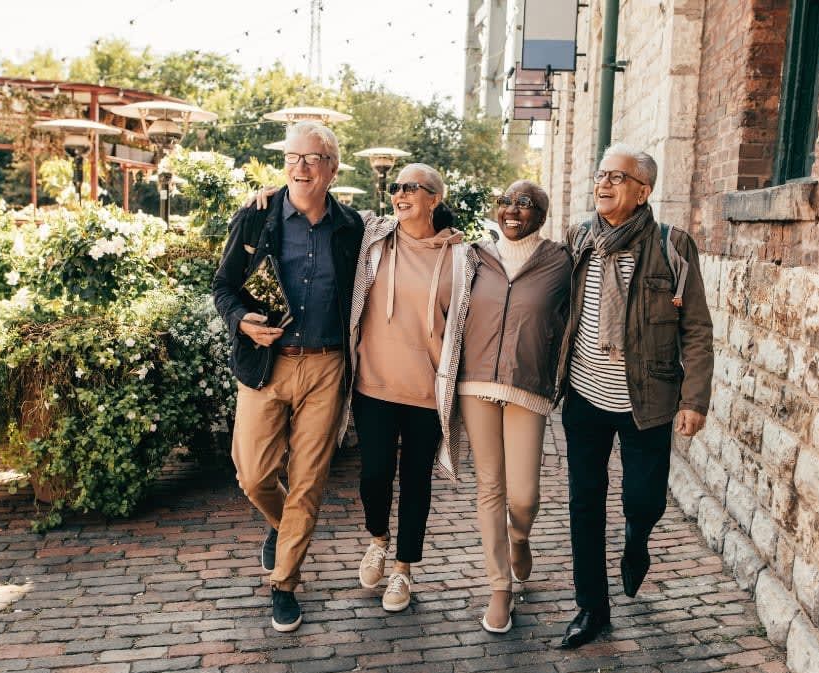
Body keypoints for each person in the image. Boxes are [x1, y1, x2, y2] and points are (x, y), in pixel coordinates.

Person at [556, 143, 714, 649]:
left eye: (616, 178)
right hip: (585, 394)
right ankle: (591, 607)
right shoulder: (579, 238)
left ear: (643, 190)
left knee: (642, 498)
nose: (603, 185)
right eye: (600, 174)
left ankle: (637, 537)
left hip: (647, 400)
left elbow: (697, 328)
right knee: (585, 501)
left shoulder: (672, 244)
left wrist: (694, 399)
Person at [212, 120, 365, 633]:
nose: (300, 167)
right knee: (253, 474)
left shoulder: (353, 229)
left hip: (327, 365)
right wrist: (241, 322)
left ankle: (284, 583)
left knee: (308, 481)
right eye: (293, 158)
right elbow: (223, 288)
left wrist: (446, 225)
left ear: (332, 170)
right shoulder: (256, 219)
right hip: (266, 365)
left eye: (312, 159)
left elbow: (413, 234)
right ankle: (283, 528)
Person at [446, 180, 572, 633]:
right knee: (490, 488)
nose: (512, 209)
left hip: (529, 387)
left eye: (526, 203)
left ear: (542, 213)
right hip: (475, 382)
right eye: (505, 201)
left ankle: (520, 536)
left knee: (524, 496)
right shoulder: (475, 256)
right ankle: (499, 588)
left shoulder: (561, 259)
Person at [350, 163, 467, 613]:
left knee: (416, 482)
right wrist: (269, 195)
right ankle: (378, 539)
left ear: (434, 198)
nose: (399, 194)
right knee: (374, 474)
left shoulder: (460, 257)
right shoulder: (374, 238)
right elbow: (324, 212)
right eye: (396, 187)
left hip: (425, 392)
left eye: (411, 188)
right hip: (373, 384)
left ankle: (403, 569)